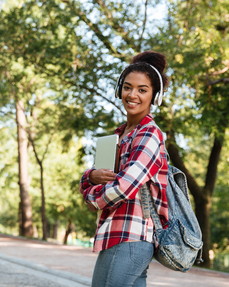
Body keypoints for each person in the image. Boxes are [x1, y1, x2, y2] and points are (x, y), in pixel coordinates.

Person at [79, 51, 170, 287]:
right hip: (119, 234)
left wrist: (90, 196)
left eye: (142, 90)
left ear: (155, 96)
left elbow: (122, 187)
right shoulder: (117, 136)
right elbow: (93, 177)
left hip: (131, 236)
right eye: (128, 87)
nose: (132, 95)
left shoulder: (149, 134)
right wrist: (90, 176)